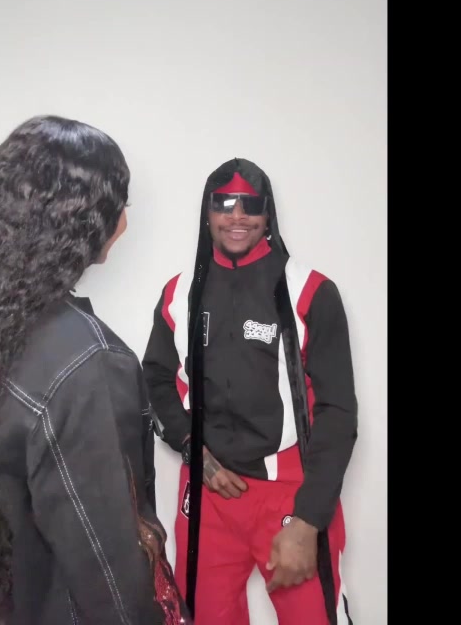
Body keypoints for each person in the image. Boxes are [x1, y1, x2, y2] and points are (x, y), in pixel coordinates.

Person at [0, 115, 187, 625]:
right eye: (121, 204)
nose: (125, 222)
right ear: (85, 221)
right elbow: (110, 573)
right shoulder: (84, 364)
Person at [144, 158, 358, 625]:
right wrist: (192, 449)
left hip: (290, 495)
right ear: (207, 212)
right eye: (224, 204)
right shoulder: (179, 293)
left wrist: (310, 519)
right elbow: (155, 379)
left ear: (268, 213)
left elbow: (339, 412)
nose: (237, 216)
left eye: (250, 205)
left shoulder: (310, 291)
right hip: (207, 493)